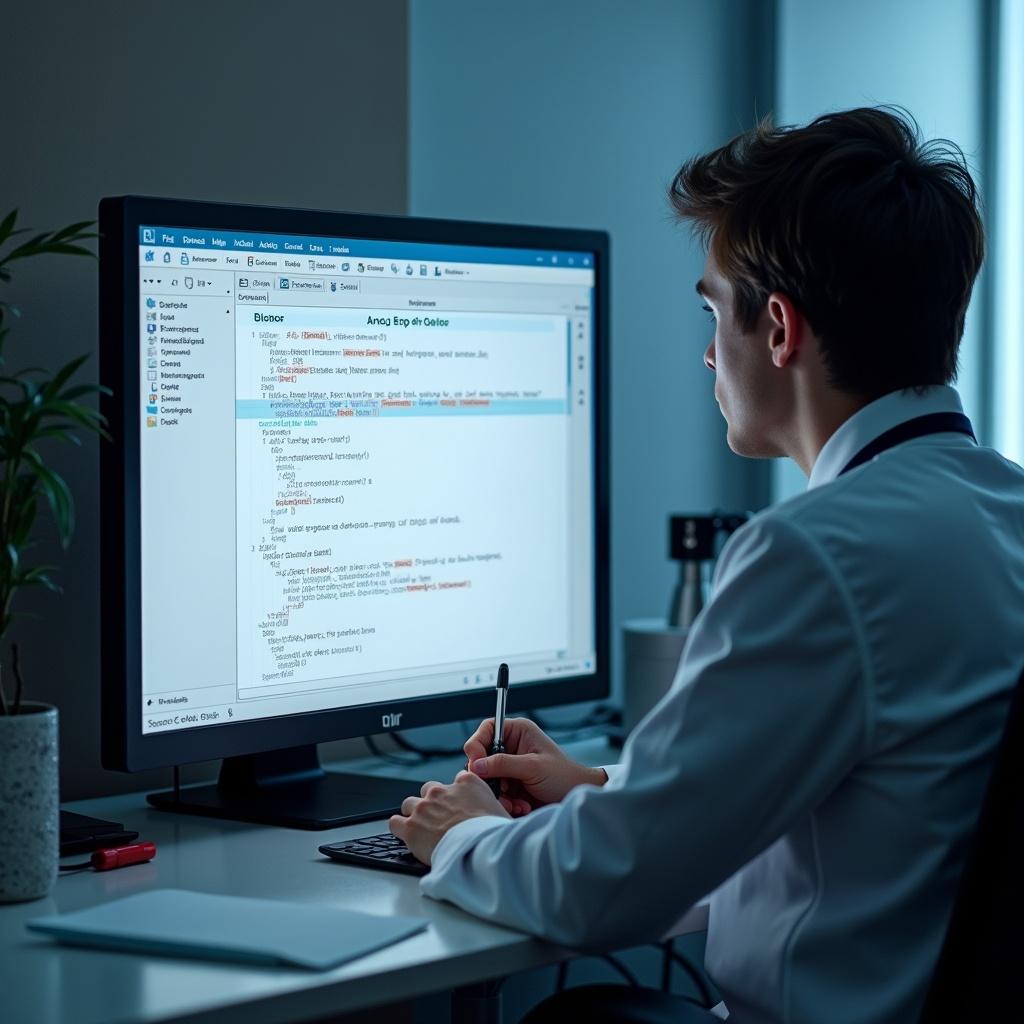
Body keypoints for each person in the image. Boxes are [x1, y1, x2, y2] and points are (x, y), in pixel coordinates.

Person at [389, 107, 1024, 1024]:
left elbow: (602, 897)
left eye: (708, 310)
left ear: (777, 328)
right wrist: (607, 793)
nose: (703, 352)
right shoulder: (1001, 510)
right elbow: (895, 810)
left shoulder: (817, 552)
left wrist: (466, 841)